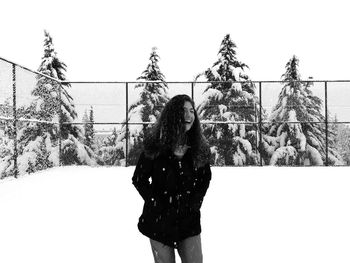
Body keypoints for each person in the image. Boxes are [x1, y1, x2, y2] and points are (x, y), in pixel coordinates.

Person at [132, 94, 212, 263]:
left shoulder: (200, 147)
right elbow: (139, 178)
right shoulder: (154, 144)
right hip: (158, 221)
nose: (189, 115)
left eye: (192, 111)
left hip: (188, 220)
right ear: (173, 114)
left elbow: (205, 178)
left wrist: (194, 203)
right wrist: (157, 203)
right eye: (183, 111)